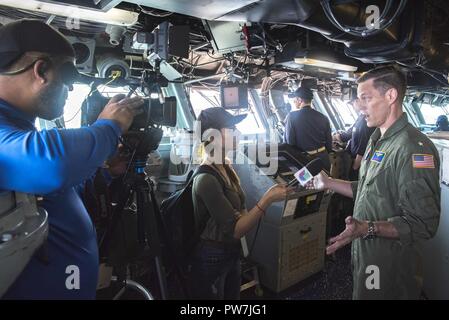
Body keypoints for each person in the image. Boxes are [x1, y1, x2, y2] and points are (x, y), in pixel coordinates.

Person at [0, 19, 143, 299]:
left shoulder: (19, 126)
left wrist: (103, 173)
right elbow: (50, 163)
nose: (68, 92)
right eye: (68, 79)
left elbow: (50, 191)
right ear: (41, 70)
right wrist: (108, 127)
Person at [308, 66, 440, 299]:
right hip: (367, 252)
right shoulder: (377, 139)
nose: (359, 107)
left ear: (390, 96)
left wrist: (367, 228)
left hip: (390, 262)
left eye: (366, 98)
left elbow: (423, 223)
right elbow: (370, 190)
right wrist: (328, 182)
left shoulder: (412, 149)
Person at [189, 107, 294, 299]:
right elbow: (236, 229)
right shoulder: (206, 180)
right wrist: (268, 198)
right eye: (231, 128)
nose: (238, 133)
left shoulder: (226, 167)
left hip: (231, 252)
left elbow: (241, 214)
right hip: (212, 257)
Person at [284, 86, 332, 171]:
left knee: (307, 184)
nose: (294, 101)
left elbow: (290, 143)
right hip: (324, 158)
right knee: (326, 182)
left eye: (295, 99)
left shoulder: (291, 117)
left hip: (306, 161)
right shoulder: (323, 117)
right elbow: (329, 143)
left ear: (299, 100)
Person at [333, 98, 375, 179]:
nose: (352, 106)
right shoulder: (361, 117)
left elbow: (363, 144)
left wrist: (356, 165)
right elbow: (350, 133)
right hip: (353, 158)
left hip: (359, 161)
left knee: (354, 180)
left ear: (358, 100)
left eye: (352, 103)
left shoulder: (365, 121)